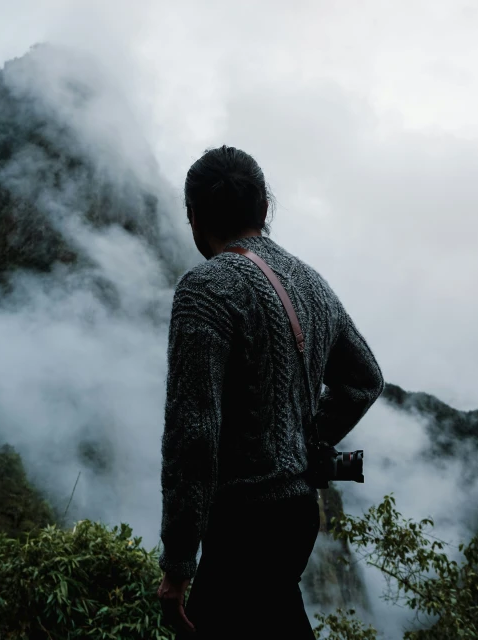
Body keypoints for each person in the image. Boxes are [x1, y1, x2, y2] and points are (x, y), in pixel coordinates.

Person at [157, 145, 384, 639]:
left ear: (194, 218)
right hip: (300, 511)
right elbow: (366, 380)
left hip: (242, 521)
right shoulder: (312, 283)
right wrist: (304, 439)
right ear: (264, 208)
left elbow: (193, 435)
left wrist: (177, 565)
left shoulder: (205, 288)